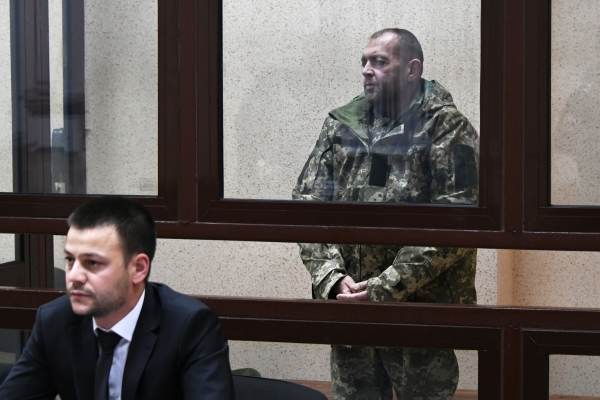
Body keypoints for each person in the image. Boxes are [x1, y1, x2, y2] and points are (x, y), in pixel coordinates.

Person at [293, 28, 479, 399]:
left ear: (412, 69)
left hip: (418, 311)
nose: (366, 69)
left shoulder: (447, 128)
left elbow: (459, 222)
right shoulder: (341, 125)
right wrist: (331, 275)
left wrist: (385, 286)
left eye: (379, 61)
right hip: (351, 305)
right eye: (364, 61)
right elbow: (307, 204)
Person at [0, 196, 235, 400]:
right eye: (70, 260)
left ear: (138, 268)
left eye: (93, 263)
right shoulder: (54, 321)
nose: (74, 276)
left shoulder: (189, 326)